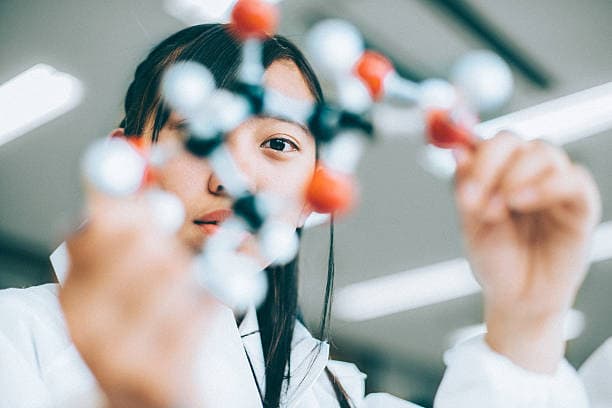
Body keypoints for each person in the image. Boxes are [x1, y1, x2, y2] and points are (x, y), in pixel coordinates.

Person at [0, 23, 602, 407]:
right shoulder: (16, 337)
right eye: (196, 134)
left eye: (278, 145)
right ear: (126, 160)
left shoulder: (333, 392)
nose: (232, 180)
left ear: (317, 188)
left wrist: (527, 323)